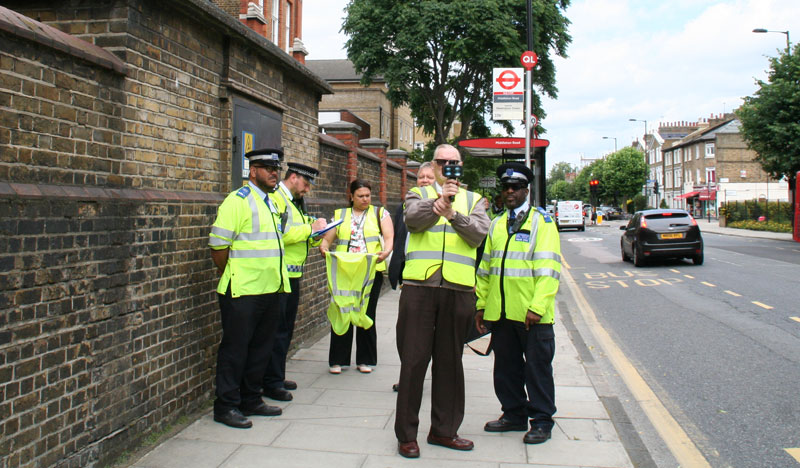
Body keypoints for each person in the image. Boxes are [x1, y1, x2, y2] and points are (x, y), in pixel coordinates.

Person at [394, 144, 490, 459]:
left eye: (454, 162)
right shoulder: (417, 194)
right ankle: (407, 435)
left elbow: (477, 235)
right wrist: (440, 203)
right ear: (434, 167)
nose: (448, 166)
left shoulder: (475, 200)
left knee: (450, 363)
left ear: (460, 166)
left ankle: (444, 431)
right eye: (443, 162)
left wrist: (453, 214)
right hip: (420, 287)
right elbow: (413, 221)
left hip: (458, 290)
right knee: (414, 361)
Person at [475, 162, 562, 445]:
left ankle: (541, 420)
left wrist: (537, 307)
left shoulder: (542, 222)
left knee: (537, 370)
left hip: (531, 315)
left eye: (516, 188)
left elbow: (549, 269)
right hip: (501, 313)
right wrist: (481, 305)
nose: (510, 192)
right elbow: (485, 269)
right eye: (506, 187)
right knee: (506, 369)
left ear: (527, 190)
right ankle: (513, 414)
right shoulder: (497, 223)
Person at [207, 148, 291, 429]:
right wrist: (233, 272)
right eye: (267, 167)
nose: (273, 172)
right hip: (242, 291)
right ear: (252, 171)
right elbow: (218, 246)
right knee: (235, 350)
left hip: (270, 288)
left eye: (276, 168)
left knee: (260, 349)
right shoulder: (238, 200)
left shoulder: (272, 202)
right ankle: (226, 406)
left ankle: (251, 399)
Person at [262, 162, 327, 402]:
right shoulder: (278, 199)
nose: (307, 189)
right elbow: (282, 234)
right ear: (294, 177)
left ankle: (276, 376)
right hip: (280, 275)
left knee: (285, 330)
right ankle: (271, 382)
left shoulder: (293, 202)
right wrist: (311, 230)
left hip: (292, 274)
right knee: (277, 331)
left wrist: (317, 234)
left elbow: (298, 236)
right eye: (306, 183)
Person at [319, 179, 393, 374]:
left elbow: (389, 237)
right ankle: (338, 360)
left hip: (370, 271)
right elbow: (328, 237)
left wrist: (385, 252)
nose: (365, 199)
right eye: (360, 196)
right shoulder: (340, 215)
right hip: (344, 272)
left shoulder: (380, 213)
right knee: (341, 310)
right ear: (351, 196)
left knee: (366, 313)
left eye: (368, 195)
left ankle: (365, 360)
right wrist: (324, 247)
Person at [388, 161, 435, 290]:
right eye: (421, 177)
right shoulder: (403, 206)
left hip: (432, 273)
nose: (424, 181)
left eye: (430, 177)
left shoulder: (442, 207)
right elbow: (399, 239)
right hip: (408, 270)